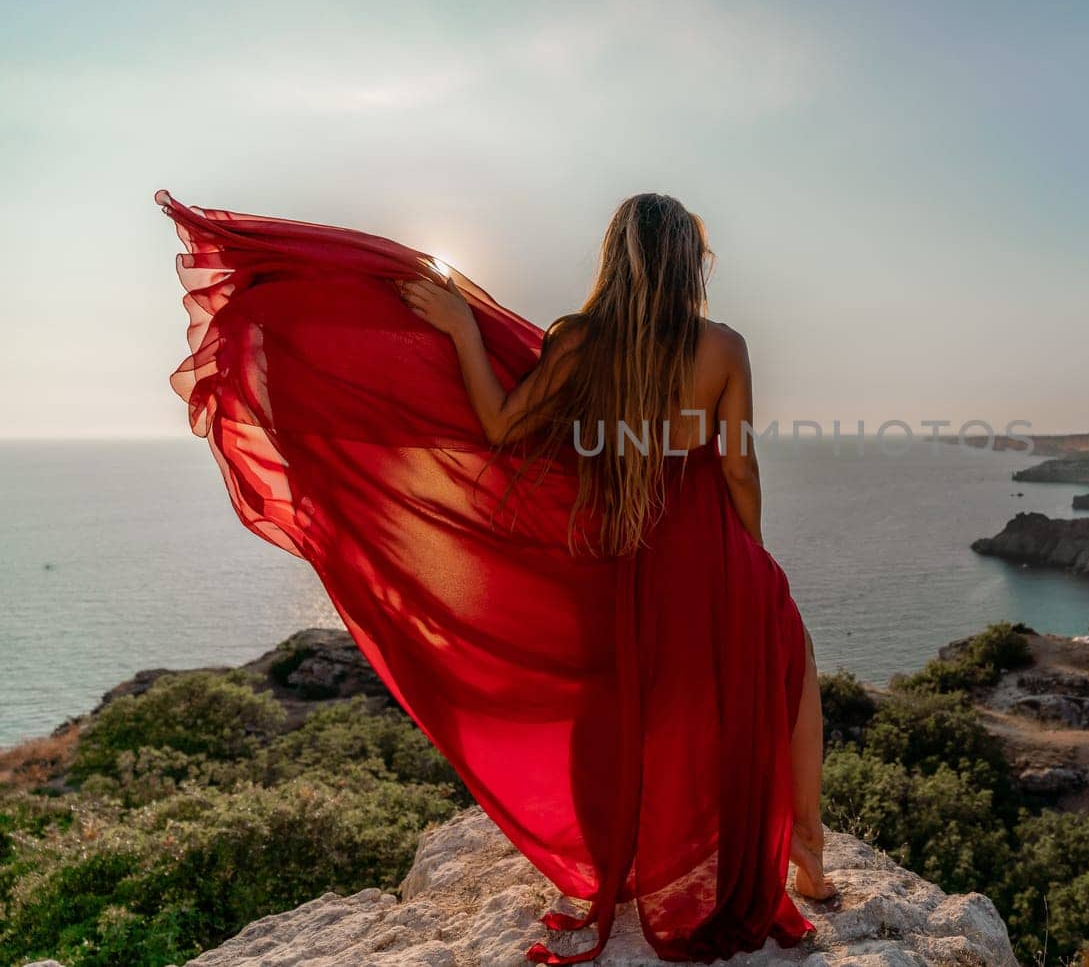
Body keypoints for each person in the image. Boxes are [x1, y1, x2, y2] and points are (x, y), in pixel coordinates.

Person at [158, 189, 833, 965]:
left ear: (617, 260)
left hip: (619, 552)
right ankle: (806, 852)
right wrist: (750, 556)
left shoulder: (579, 342)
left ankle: (604, 867)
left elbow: (503, 427)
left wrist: (459, 332)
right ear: (693, 264)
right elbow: (739, 466)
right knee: (790, 656)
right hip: (712, 544)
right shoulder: (724, 346)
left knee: (611, 697)